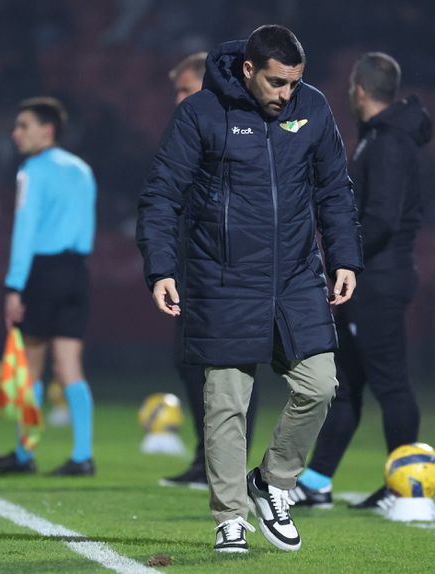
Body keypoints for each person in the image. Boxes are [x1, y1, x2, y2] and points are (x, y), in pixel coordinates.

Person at [137, 25, 363, 553]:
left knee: (320, 385)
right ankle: (229, 519)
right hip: (223, 279)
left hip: (296, 280)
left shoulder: (314, 108)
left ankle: (273, 480)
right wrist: (162, 268)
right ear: (248, 70)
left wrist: (345, 258)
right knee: (227, 405)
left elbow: (334, 188)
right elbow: (161, 195)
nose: (288, 95)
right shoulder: (200, 113)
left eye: (295, 83)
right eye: (278, 82)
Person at [290, 52, 433, 510]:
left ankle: (405, 487)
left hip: (380, 279)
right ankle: (315, 481)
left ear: (360, 90)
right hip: (369, 279)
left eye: (351, 86)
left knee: (390, 384)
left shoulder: (388, 143)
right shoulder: (379, 138)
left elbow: (381, 220)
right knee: (346, 384)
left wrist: (341, 257)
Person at [159, 51, 260, 490]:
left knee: (232, 365)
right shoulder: (189, 129)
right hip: (193, 260)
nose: (178, 97)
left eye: (184, 88)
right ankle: (207, 458)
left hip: (228, 266)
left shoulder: (228, 130)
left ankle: (226, 463)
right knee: (190, 362)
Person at [0, 97, 98, 477]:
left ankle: (24, 454)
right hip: (77, 271)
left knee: (31, 368)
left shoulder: (31, 171)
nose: (15, 133)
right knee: (70, 367)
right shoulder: (83, 170)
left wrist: (13, 285)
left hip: (43, 271)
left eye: (23, 125)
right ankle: (82, 455)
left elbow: (25, 230)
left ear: (47, 129)